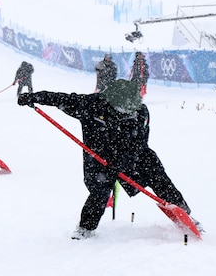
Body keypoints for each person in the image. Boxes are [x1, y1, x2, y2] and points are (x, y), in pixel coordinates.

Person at [17, 79, 145, 239]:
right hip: (97, 158)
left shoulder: (138, 111)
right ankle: (85, 228)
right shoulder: (91, 104)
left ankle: (176, 205)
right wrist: (34, 97)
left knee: (152, 169)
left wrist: (121, 162)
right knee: (100, 190)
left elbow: (139, 144)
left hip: (123, 155)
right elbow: (60, 98)